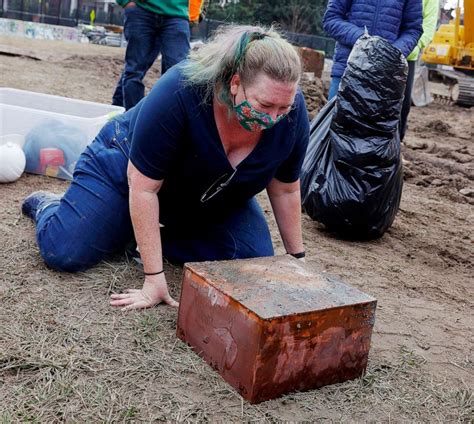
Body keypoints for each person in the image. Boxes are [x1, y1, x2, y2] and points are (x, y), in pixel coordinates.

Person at [22, 25, 310, 311]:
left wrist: (296, 261)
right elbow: (144, 186)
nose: (273, 118)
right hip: (129, 171)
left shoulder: (292, 113)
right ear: (235, 83)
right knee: (66, 250)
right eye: (265, 105)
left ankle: (137, 235)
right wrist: (154, 278)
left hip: (205, 196)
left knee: (251, 259)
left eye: (282, 109)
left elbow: (285, 189)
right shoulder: (180, 89)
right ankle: (50, 206)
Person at [323, 0, 424, 100]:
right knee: (336, 115)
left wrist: (391, 51)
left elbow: (413, 30)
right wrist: (362, 39)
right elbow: (331, 19)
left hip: (384, 75)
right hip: (346, 70)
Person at [111, 0, 197, 110]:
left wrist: (194, 14)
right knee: (134, 71)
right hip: (142, 10)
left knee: (178, 74)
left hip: (177, 14)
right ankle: (132, 120)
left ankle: (166, 120)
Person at [400, 0, 439, 141]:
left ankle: (397, 142)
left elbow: (428, 27)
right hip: (384, 50)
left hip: (408, 56)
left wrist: (413, 46)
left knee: (403, 106)